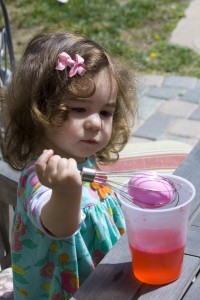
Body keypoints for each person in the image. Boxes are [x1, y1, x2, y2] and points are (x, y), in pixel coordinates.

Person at [2, 31, 137, 299]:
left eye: (105, 112)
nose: (96, 123)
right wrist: (65, 193)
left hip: (104, 283)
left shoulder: (83, 158)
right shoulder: (41, 174)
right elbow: (59, 227)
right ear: (39, 110)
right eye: (79, 109)